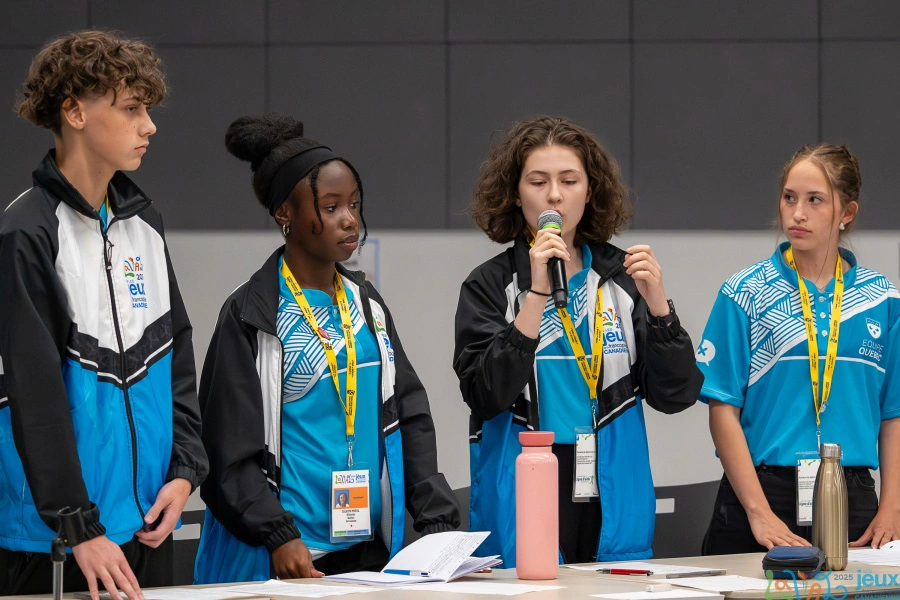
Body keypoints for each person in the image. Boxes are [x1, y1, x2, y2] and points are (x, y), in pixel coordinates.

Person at [194, 113, 460, 583]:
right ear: (286, 215)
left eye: (354, 203)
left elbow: (408, 413)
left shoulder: (366, 303)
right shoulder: (251, 313)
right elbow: (225, 451)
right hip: (285, 557)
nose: (350, 219)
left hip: (366, 557)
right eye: (331, 206)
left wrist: (435, 521)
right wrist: (277, 535)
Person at [0, 31, 208, 599]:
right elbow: (33, 394)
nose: (150, 126)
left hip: (146, 529)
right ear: (74, 112)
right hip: (59, 545)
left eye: (148, 109)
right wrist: (76, 526)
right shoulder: (27, 233)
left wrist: (186, 470)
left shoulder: (145, 224)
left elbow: (177, 358)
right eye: (132, 108)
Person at [453, 116, 703, 566]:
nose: (554, 195)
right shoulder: (488, 285)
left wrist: (661, 309)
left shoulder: (623, 278)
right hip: (524, 479)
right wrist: (535, 297)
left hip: (610, 486)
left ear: (590, 192)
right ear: (515, 192)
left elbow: (676, 395)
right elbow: (484, 394)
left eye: (569, 180)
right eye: (538, 181)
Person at [698, 144, 900, 554]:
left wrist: (892, 507)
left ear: (847, 213)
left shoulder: (884, 300)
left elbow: (893, 414)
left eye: (815, 200)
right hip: (762, 494)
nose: (798, 213)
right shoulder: (745, 293)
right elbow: (722, 409)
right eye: (789, 198)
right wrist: (758, 511)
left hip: (854, 497)